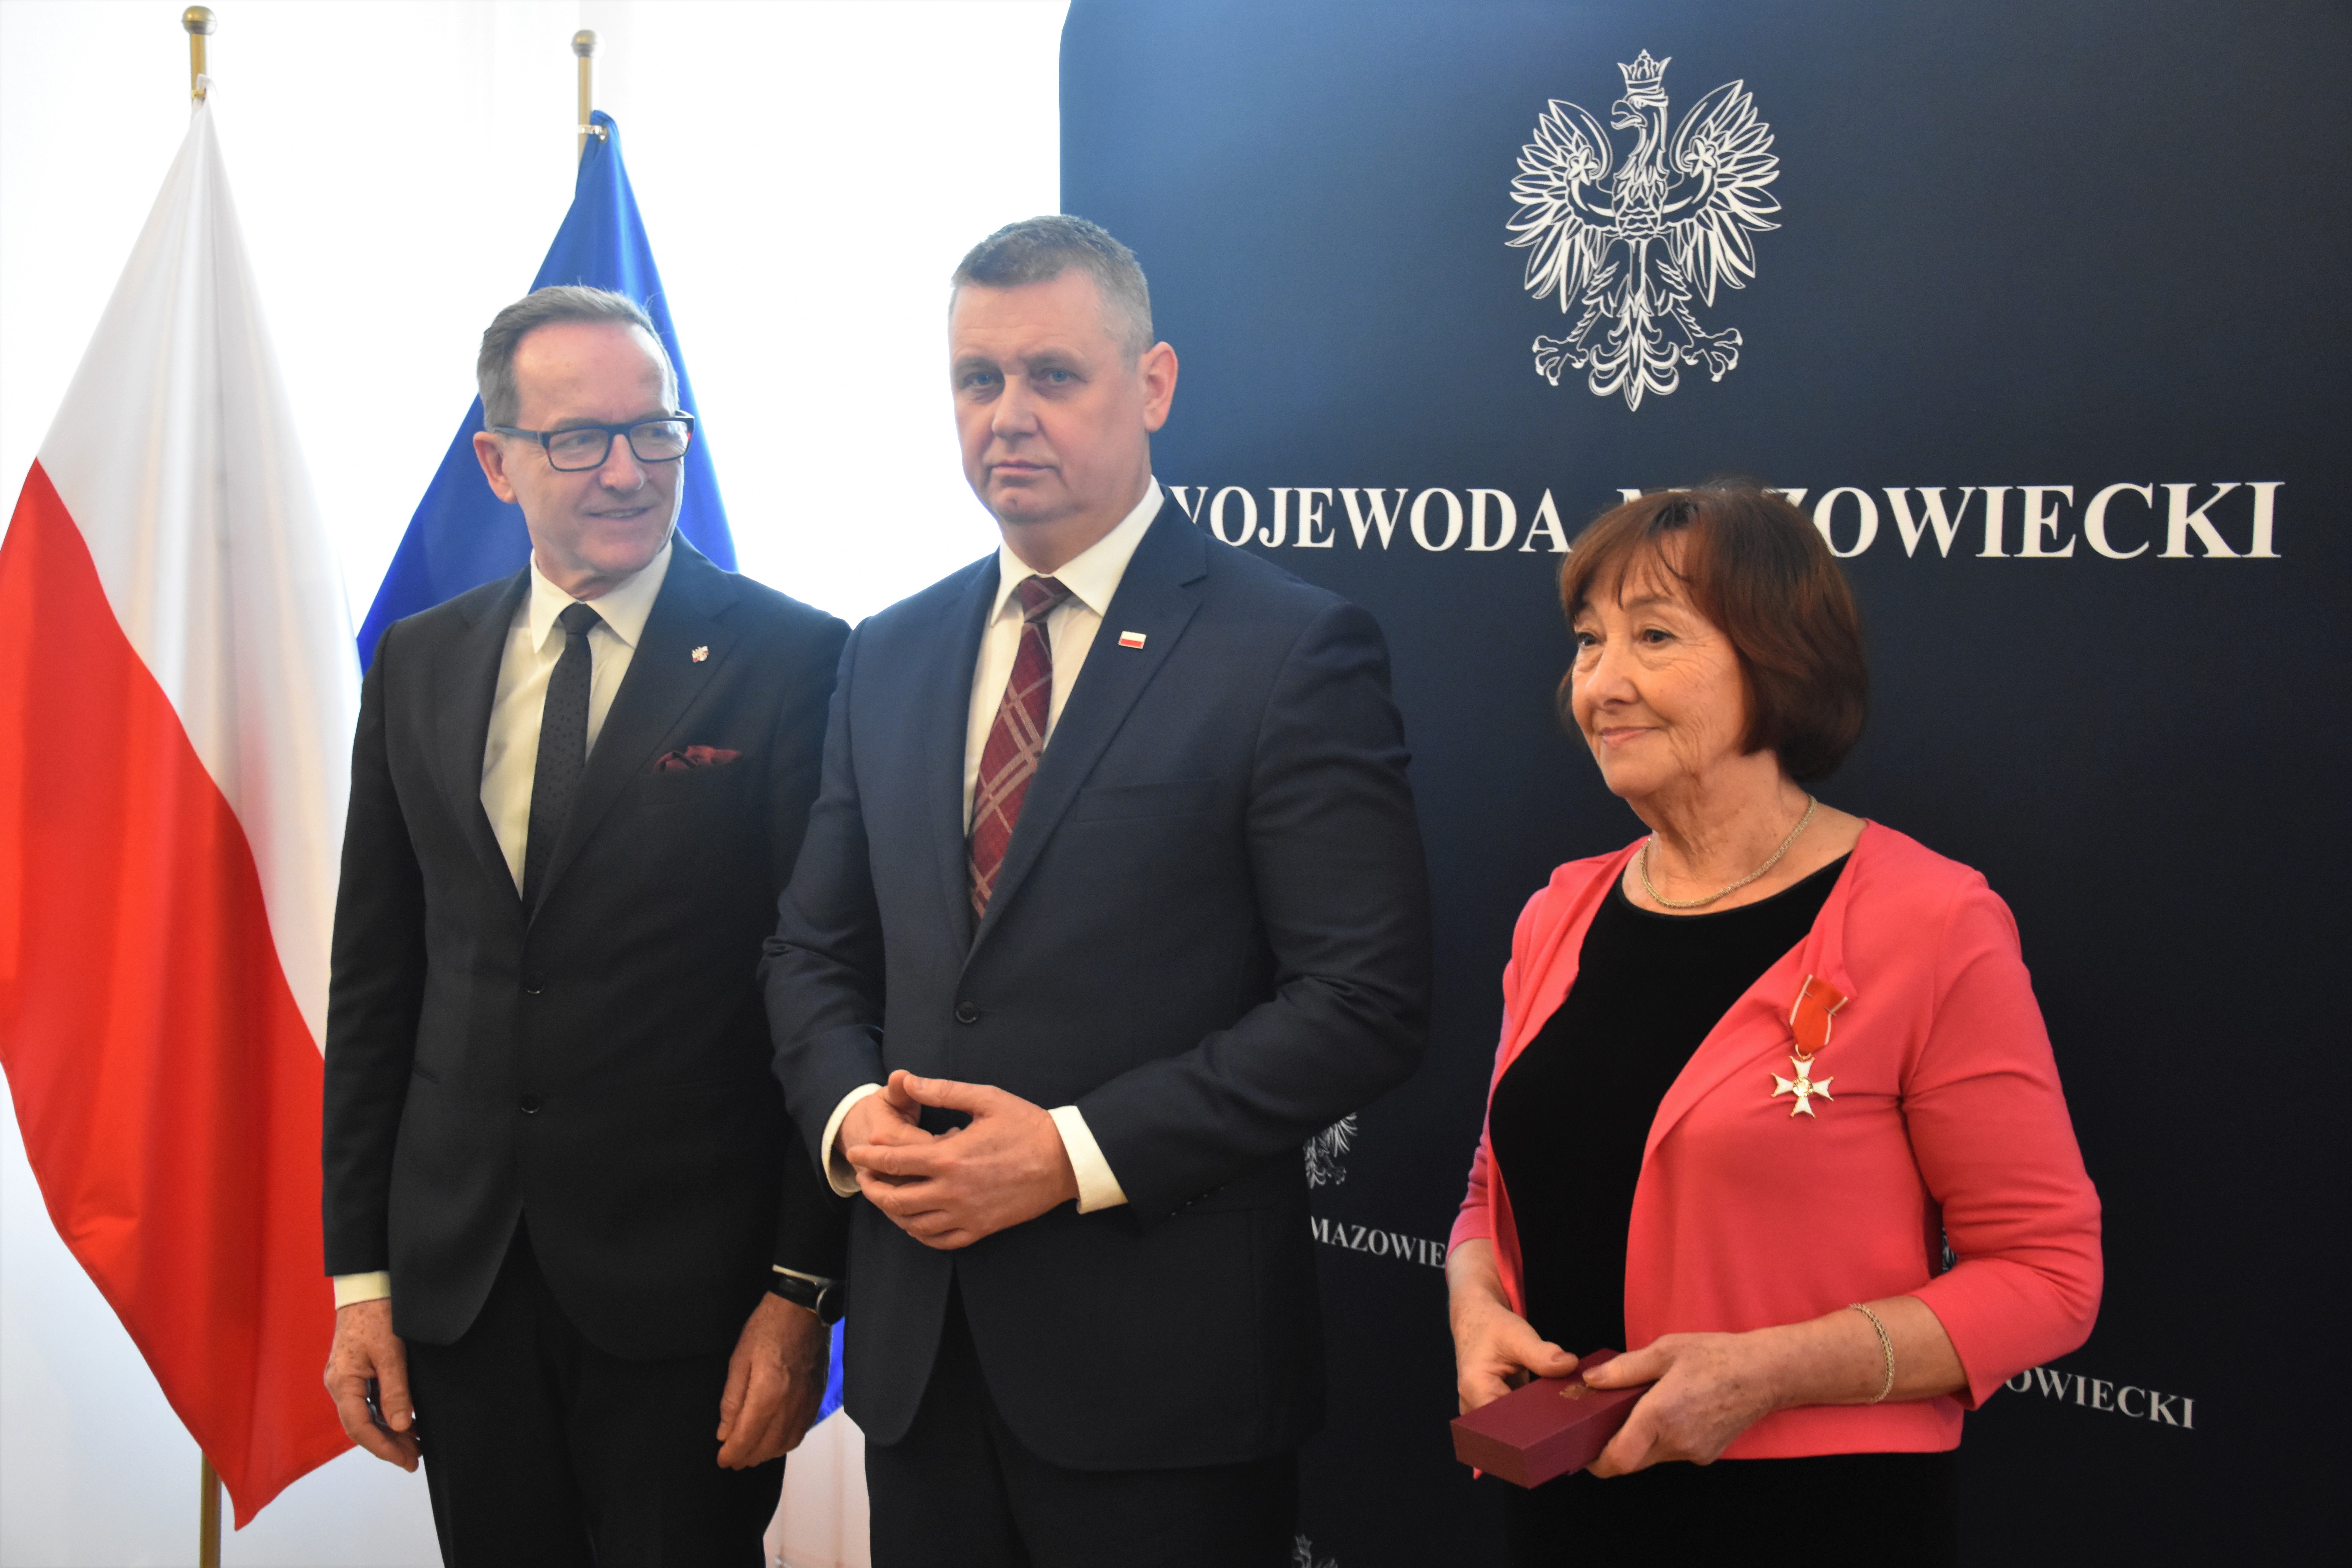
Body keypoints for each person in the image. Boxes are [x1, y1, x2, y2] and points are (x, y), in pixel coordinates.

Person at [761, 215, 1432, 1568]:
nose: (1008, 415)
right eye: (978, 379)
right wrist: (850, 1119)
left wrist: (1068, 1155)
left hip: (1165, 1384)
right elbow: (812, 951)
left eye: (1053, 375)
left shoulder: (1289, 649)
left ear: (1154, 384)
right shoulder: (888, 651)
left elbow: (1365, 1000)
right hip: (920, 1365)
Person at [1446, 485, 2103, 1565]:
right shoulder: (1558, 911)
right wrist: (1474, 1302)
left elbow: (2048, 1277)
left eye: (1655, 637)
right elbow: (1489, 1189)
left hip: (1813, 1518)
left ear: (1779, 662)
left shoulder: (1932, 920)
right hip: (1567, 1505)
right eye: (1589, 641)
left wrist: (1770, 1374)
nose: (1602, 685)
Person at [320, 286, 849, 1565]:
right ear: (498, 462)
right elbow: (378, 985)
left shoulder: (798, 659)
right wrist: (362, 1285)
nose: (627, 469)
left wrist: (800, 1293)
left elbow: (827, 988)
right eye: (578, 439)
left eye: (655, 430)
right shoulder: (420, 661)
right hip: (464, 1291)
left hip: (692, 1305)